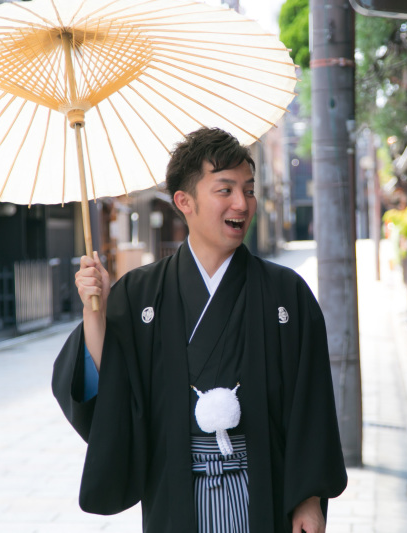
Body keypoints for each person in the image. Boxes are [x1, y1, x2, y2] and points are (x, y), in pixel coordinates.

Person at [52, 127, 347, 533]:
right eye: (224, 190)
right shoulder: (139, 293)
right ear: (184, 201)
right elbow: (117, 387)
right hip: (177, 496)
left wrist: (310, 498)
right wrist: (95, 314)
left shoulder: (286, 292)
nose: (242, 204)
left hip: (267, 493)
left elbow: (311, 403)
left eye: (248, 189)